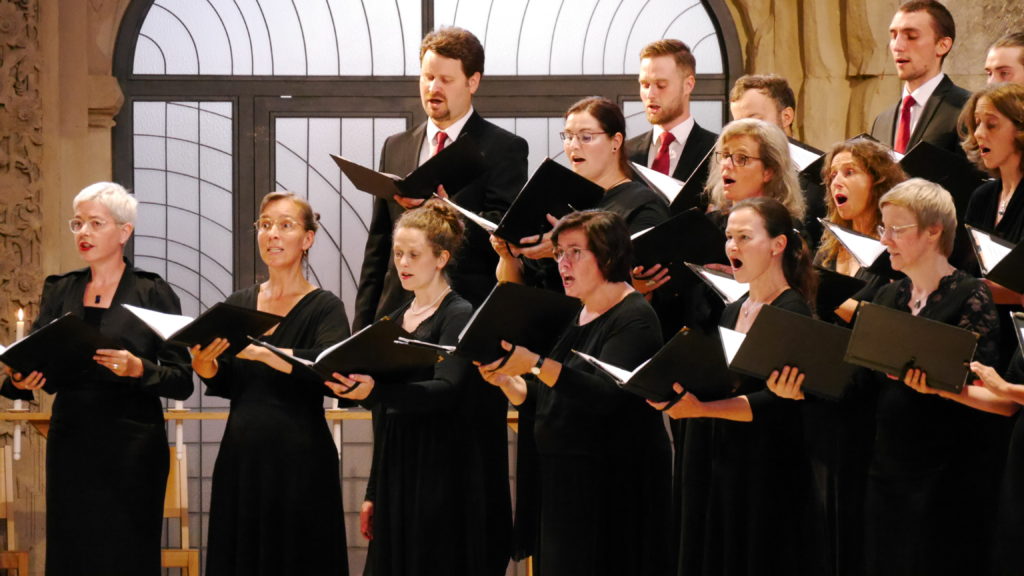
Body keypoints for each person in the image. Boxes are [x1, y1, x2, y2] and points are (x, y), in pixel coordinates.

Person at [1, 182, 193, 575]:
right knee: (72, 548)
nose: (83, 233)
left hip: (133, 442)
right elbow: (38, 357)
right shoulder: (61, 289)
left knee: (127, 550)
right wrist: (22, 378)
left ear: (124, 232)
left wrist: (140, 368)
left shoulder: (152, 292)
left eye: (95, 223)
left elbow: (182, 378)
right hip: (72, 437)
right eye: (77, 223)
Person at [479, 211, 673, 576]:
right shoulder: (577, 315)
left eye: (574, 252)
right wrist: (511, 382)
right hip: (566, 485)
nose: (562, 264)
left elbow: (604, 396)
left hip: (614, 490)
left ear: (609, 256)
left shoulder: (635, 316)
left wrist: (535, 364)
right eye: (558, 254)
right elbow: (556, 396)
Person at [327, 200, 512, 576]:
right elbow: (385, 413)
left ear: (441, 258)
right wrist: (373, 491)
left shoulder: (459, 313)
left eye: (414, 254)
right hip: (399, 464)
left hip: (444, 468)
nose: (403, 263)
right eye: (398, 254)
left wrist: (375, 391)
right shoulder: (392, 319)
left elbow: (448, 388)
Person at [652, 197, 824, 576]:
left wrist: (702, 409)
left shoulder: (791, 311)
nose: (732, 247)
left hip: (765, 473)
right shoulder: (735, 307)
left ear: (778, 245)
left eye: (744, 237)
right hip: (726, 463)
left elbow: (776, 403)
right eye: (729, 237)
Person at [191, 192, 349, 575]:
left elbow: (330, 374)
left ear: (307, 239)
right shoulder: (240, 302)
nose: (272, 234)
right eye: (264, 225)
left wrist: (267, 354)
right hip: (243, 453)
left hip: (300, 455)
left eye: (285, 225)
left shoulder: (325, 306)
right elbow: (231, 379)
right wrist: (205, 366)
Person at [865, 179, 1000, 575]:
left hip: (942, 474)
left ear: (934, 230)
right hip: (886, 465)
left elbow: (983, 387)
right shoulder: (889, 296)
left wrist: (940, 386)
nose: (886, 239)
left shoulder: (971, 294)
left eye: (897, 229)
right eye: (882, 229)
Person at [353, 26, 529, 330]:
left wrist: (447, 211)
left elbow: (504, 232)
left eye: (446, 80)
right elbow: (378, 245)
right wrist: (362, 326)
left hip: (465, 311)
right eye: (427, 77)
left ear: (472, 81)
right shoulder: (396, 146)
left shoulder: (504, 148)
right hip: (396, 311)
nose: (434, 87)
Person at [492, 96, 669, 286]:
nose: (574, 146)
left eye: (586, 137)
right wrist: (508, 255)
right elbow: (514, 286)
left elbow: (636, 285)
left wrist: (565, 248)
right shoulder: (555, 201)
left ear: (616, 142)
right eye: (568, 137)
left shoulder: (642, 204)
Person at [729, 73, 826, 248]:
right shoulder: (731, 171)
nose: (746, 132)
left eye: (754, 121)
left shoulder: (823, 171)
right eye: (738, 124)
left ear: (786, 117)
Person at [817, 137, 907, 323]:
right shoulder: (829, 248)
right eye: (833, 176)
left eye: (849, 172)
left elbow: (889, 323)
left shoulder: (894, 249)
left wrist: (825, 299)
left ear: (877, 182)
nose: (836, 183)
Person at [625, 39, 718, 213]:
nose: (650, 94)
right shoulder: (625, 154)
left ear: (688, 85)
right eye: (644, 85)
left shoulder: (717, 150)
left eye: (661, 85)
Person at [870, 0, 968, 157]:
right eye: (894, 36)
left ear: (942, 45)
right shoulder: (882, 121)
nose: (897, 46)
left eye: (911, 36)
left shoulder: (966, 108)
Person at [706, 118, 806, 225]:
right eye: (725, 155)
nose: (726, 164)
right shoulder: (707, 225)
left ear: (768, 171)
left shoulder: (786, 230)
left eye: (741, 158)